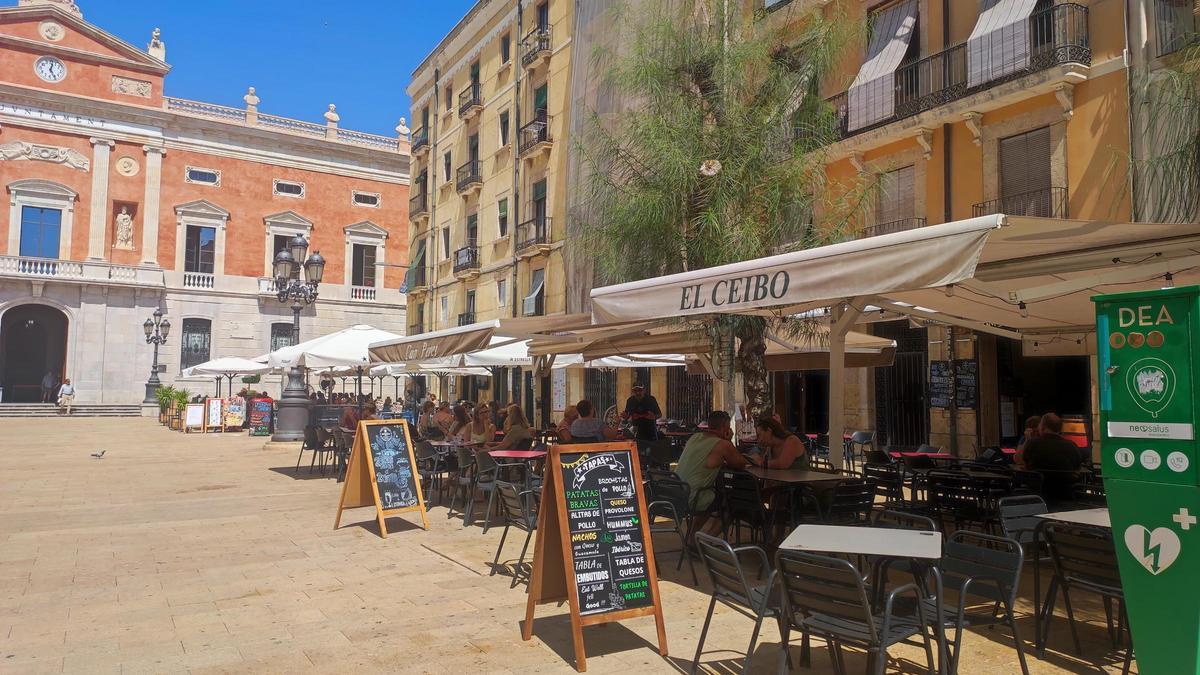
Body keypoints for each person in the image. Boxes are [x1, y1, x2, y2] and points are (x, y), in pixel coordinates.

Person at [675, 411, 754, 538]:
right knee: (730, 505)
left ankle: (691, 538)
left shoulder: (694, 437)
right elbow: (739, 463)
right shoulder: (722, 444)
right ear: (724, 428)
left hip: (677, 493)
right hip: (694, 496)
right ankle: (706, 542)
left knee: (713, 498)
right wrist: (728, 440)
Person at [1018, 413, 1083, 502]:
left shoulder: (1033, 443)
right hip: (1065, 492)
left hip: (1037, 491)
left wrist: (1027, 439)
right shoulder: (1071, 446)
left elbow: (1019, 460)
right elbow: (1077, 467)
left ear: (1043, 427)